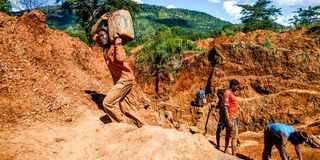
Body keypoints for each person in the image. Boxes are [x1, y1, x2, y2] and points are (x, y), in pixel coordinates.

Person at [91, 13, 145, 127]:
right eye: (99, 36)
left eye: (103, 35)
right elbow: (93, 32)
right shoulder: (104, 48)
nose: (101, 38)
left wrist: (117, 40)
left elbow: (121, 58)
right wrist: (101, 19)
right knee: (124, 108)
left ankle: (122, 125)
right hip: (120, 82)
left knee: (107, 103)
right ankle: (142, 126)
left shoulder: (115, 46)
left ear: (109, 36)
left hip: (125, 80)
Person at [223, 79, 240, 155]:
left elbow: (232, 103)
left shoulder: (232, 93)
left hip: (234, 117)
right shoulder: (227, 93)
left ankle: (226, 150)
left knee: (229, 134)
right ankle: (234, 155)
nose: (237, 88)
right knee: (234, 137)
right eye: (236, 86)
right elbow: (225, 107)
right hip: (231, 117)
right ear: (232, 85)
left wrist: (238, 107)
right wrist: (228, 120)